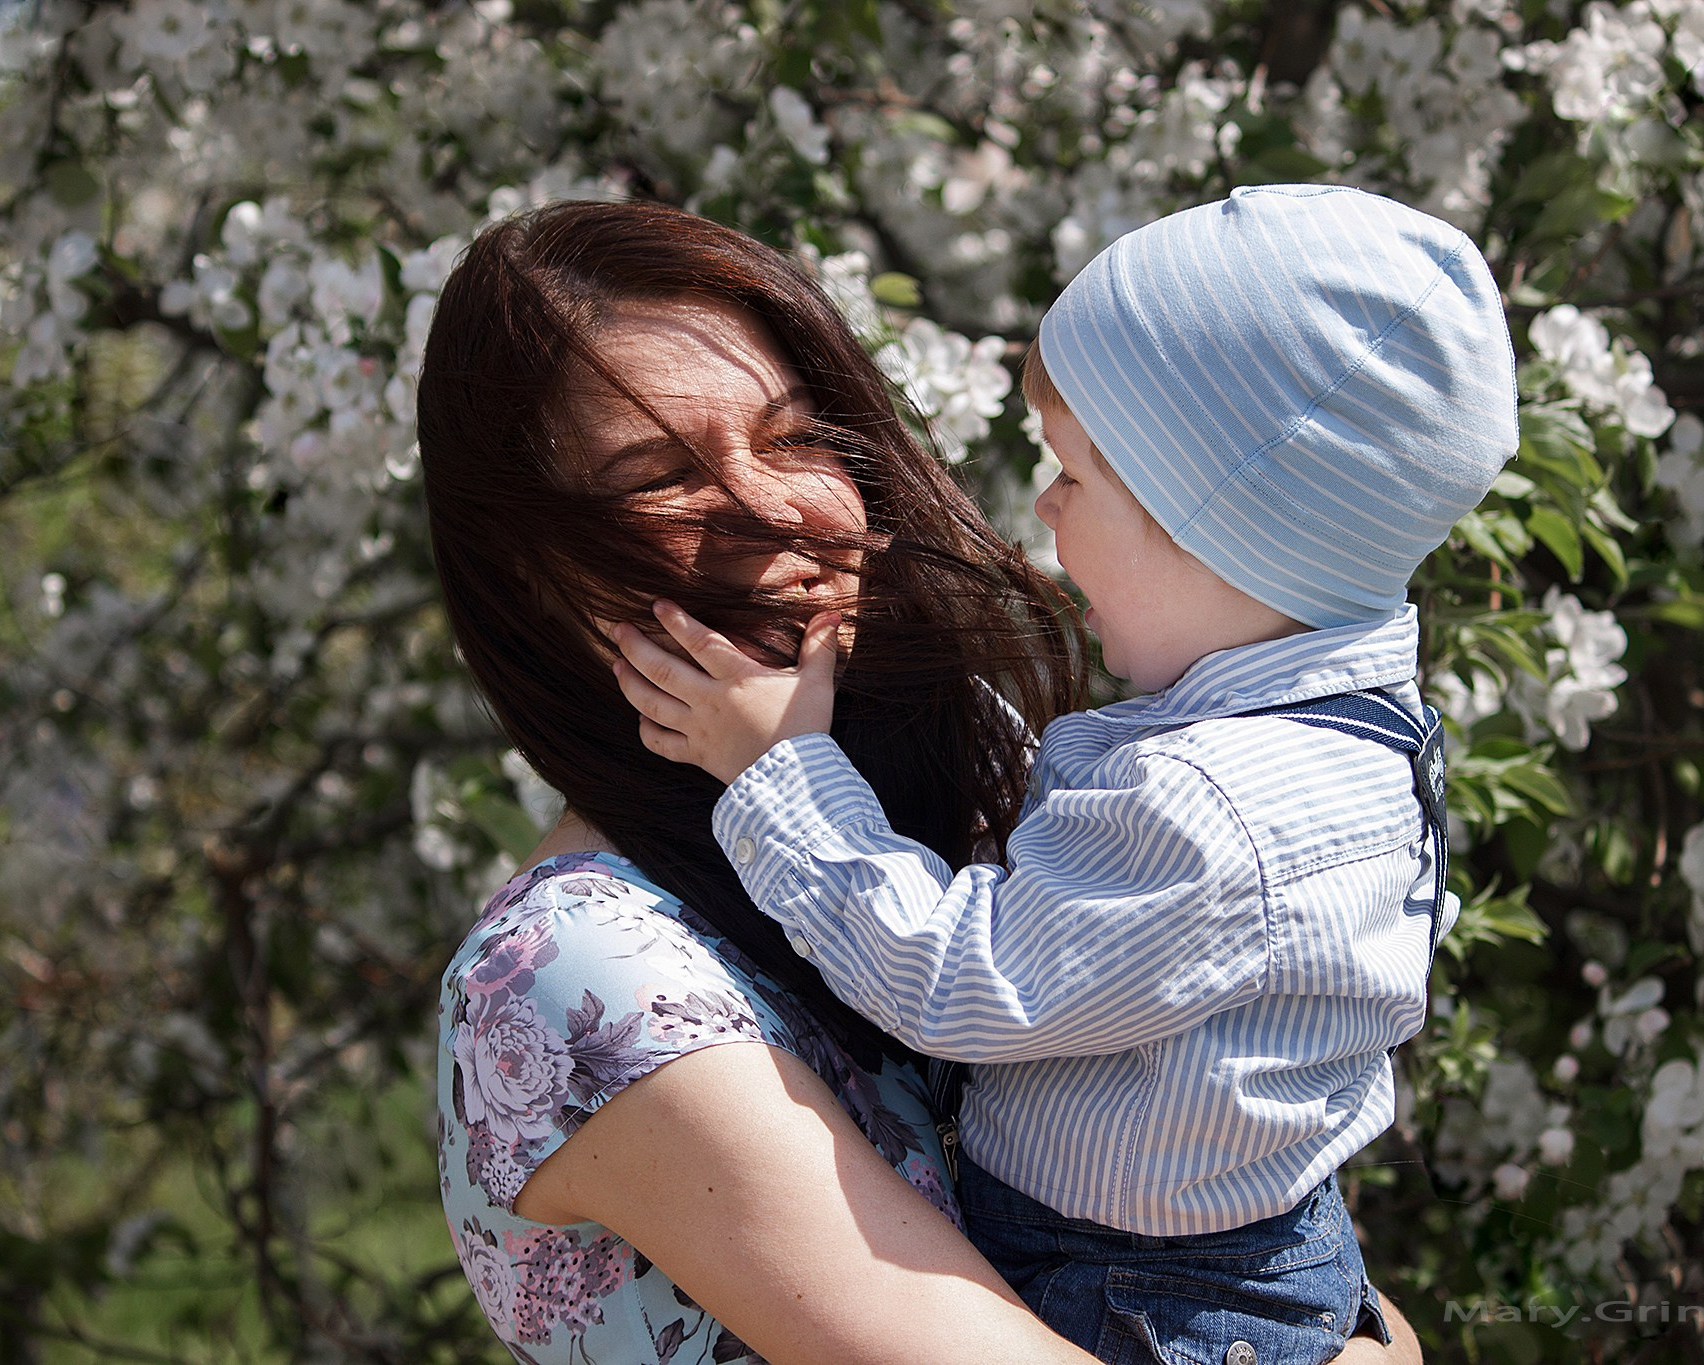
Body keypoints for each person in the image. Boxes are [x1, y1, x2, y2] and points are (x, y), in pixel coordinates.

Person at [419, 196, 1427, 1364]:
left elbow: (1294, 1266)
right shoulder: (573, 979)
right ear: (529, 571)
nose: (771, 508)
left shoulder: (970, 768)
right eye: (657, 475)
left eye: (796, 438)